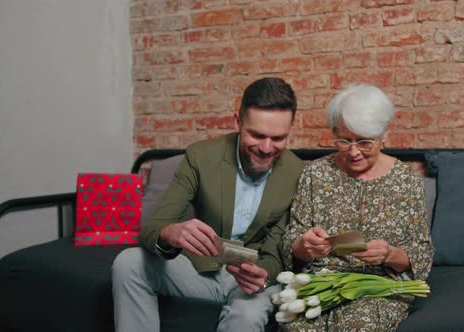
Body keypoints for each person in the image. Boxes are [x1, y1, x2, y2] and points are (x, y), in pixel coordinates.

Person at [112, 77, 304, 332]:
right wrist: (171, 232)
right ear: (238, 122)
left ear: (291, 128)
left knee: (248, 314)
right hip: (199, 269)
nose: (267, 148)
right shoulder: (201, 156)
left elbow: (278, 250)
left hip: (251, 282)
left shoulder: (297, 172)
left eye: (278, 138)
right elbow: (154, 226)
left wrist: (262, 274)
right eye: (257, 135)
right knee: (128, 262)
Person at [280, 84, 434, 331]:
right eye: (344, 140)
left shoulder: (407, 180)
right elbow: (290, 243)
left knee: (359, 327)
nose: (353, 152)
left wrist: (389, 254)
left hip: (376, 289)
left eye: (364, 142)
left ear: (382, 136)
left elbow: (422, 254)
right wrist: (304, 246)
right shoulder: (315, 174)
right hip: (321, 284)